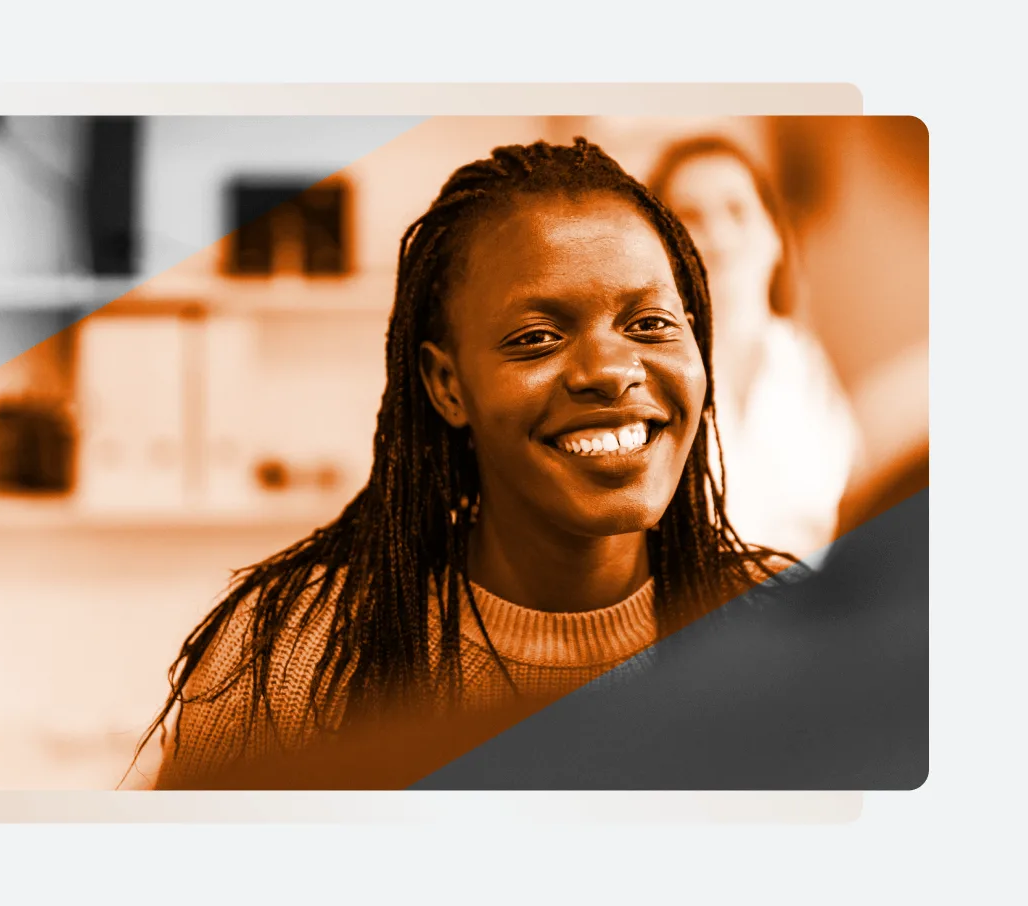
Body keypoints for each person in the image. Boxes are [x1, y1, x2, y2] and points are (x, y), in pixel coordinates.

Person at [132, 138, 799, 790]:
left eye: (650, 325)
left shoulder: (794, 642)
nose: (611, 371)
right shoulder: (296, 659)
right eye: (536, 338)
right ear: (447, 385)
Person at [647, 136, 859, 561]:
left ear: (776, 235)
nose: (719, 235)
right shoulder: (647, 375)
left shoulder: (809, 364)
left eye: (737, 210)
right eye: (691, 216)